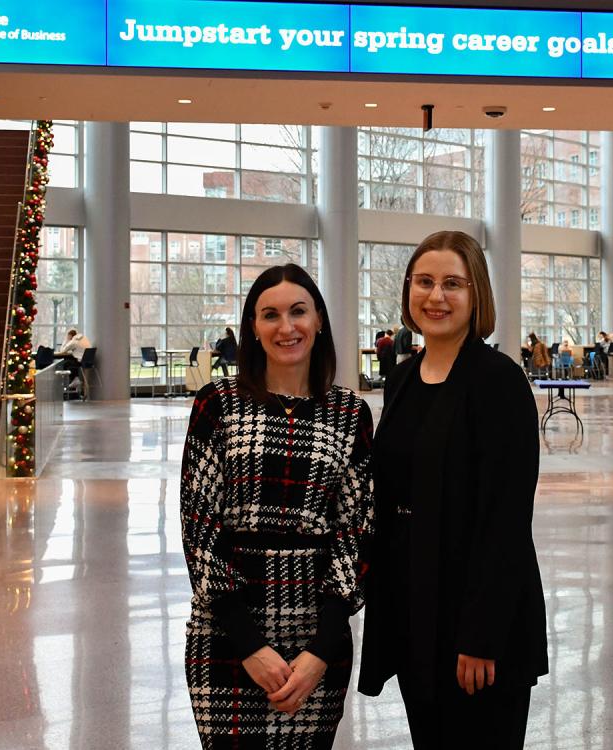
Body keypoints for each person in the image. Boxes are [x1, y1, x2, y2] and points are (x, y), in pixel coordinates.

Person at [359, 230, 547, 748]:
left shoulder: (498, 382)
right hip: (417, 607)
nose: (435, 296)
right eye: (424, 282)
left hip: (476, 618)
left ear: (475, 294)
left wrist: (481, 635)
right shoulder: (402, 379)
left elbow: (507, 519)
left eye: (451, 284)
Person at [181, 263, 374, 749]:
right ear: (253, 327)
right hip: (227, 630)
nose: (286, 327)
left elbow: (355, 529)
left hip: (316, 632)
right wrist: (249, 644)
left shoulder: (350, 413)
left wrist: (323, 647)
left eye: (298, 312)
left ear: (320, 320)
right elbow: (199, 525)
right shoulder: (217, 404)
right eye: (270, 315)